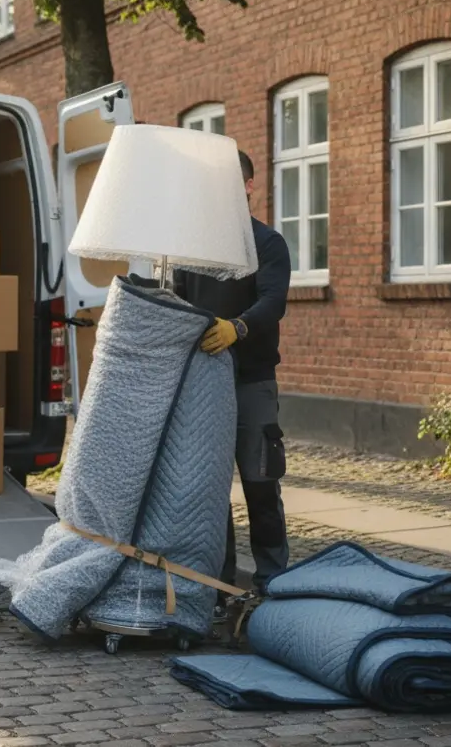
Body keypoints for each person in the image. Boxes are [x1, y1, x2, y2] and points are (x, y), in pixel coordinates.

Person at [174, 149, 291, 613]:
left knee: (261, 483)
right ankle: (219, 585)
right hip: (205, 384)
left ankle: (273, 580)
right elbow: (179, 303)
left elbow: (273, 302)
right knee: (211, 489)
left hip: (252, 382)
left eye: (230, 184)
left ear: (247, 185)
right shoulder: (194, 249)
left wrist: (237, 327)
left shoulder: (267, 243)